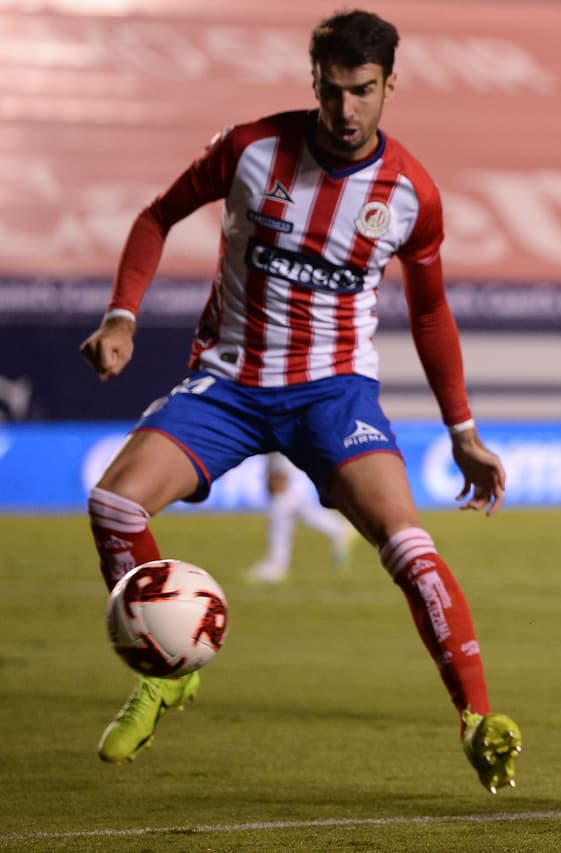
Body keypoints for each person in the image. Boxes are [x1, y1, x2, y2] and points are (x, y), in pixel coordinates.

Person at [79, 9, 520, 794]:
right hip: (231, 381)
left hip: (333, 391)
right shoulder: (250, 148)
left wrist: (463, 430)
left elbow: (428, 312)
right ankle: (166, 671)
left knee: (408, 544)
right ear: (311, 82)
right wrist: (122, 314)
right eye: (331, 90)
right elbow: (157, 217)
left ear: (390, 86)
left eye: (363, 91)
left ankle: (477, 714)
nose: (345, 110)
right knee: (115, 505)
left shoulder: (412, 192)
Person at [246, 452, 357, 584]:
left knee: (278, 486)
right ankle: (336, 528)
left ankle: (277, 563)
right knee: (276, 490)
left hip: (279, 436)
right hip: (272, 437)